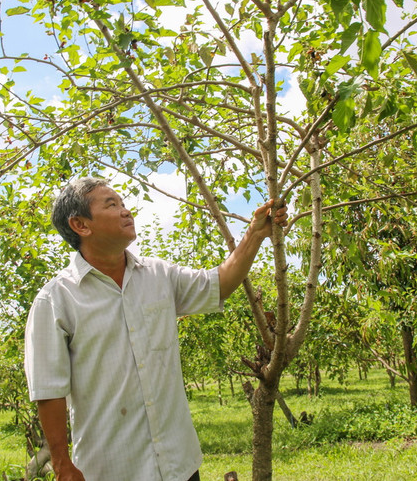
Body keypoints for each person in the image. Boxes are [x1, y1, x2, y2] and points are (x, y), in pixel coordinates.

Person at [24, 177, 288, 481]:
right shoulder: (56, 300)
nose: (126, 211)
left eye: (123, 204)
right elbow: (49, 390)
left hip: (179, 464)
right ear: (81, 225)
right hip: (111, 468)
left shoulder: (158, 275)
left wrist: (255, 235)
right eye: (112, 205)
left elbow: (219, 284)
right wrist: (61, 463)